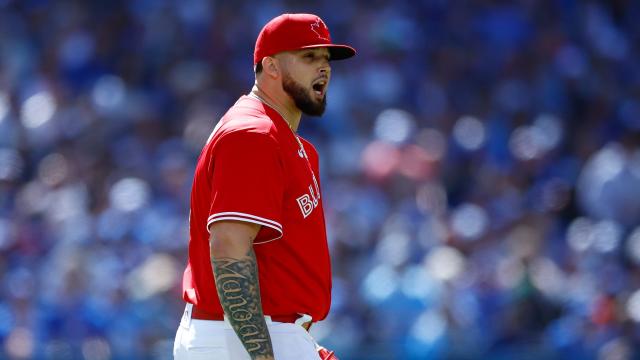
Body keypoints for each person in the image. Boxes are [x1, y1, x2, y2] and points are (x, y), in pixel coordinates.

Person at [173, 13, 356, 360]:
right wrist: (262, 355)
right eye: (308, 57)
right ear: (270, 67)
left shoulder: (288, 142)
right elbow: (229, 247)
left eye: (325, 59)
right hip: (240, 338)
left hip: (266, 333)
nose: (323, 68)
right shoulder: (253, 135)